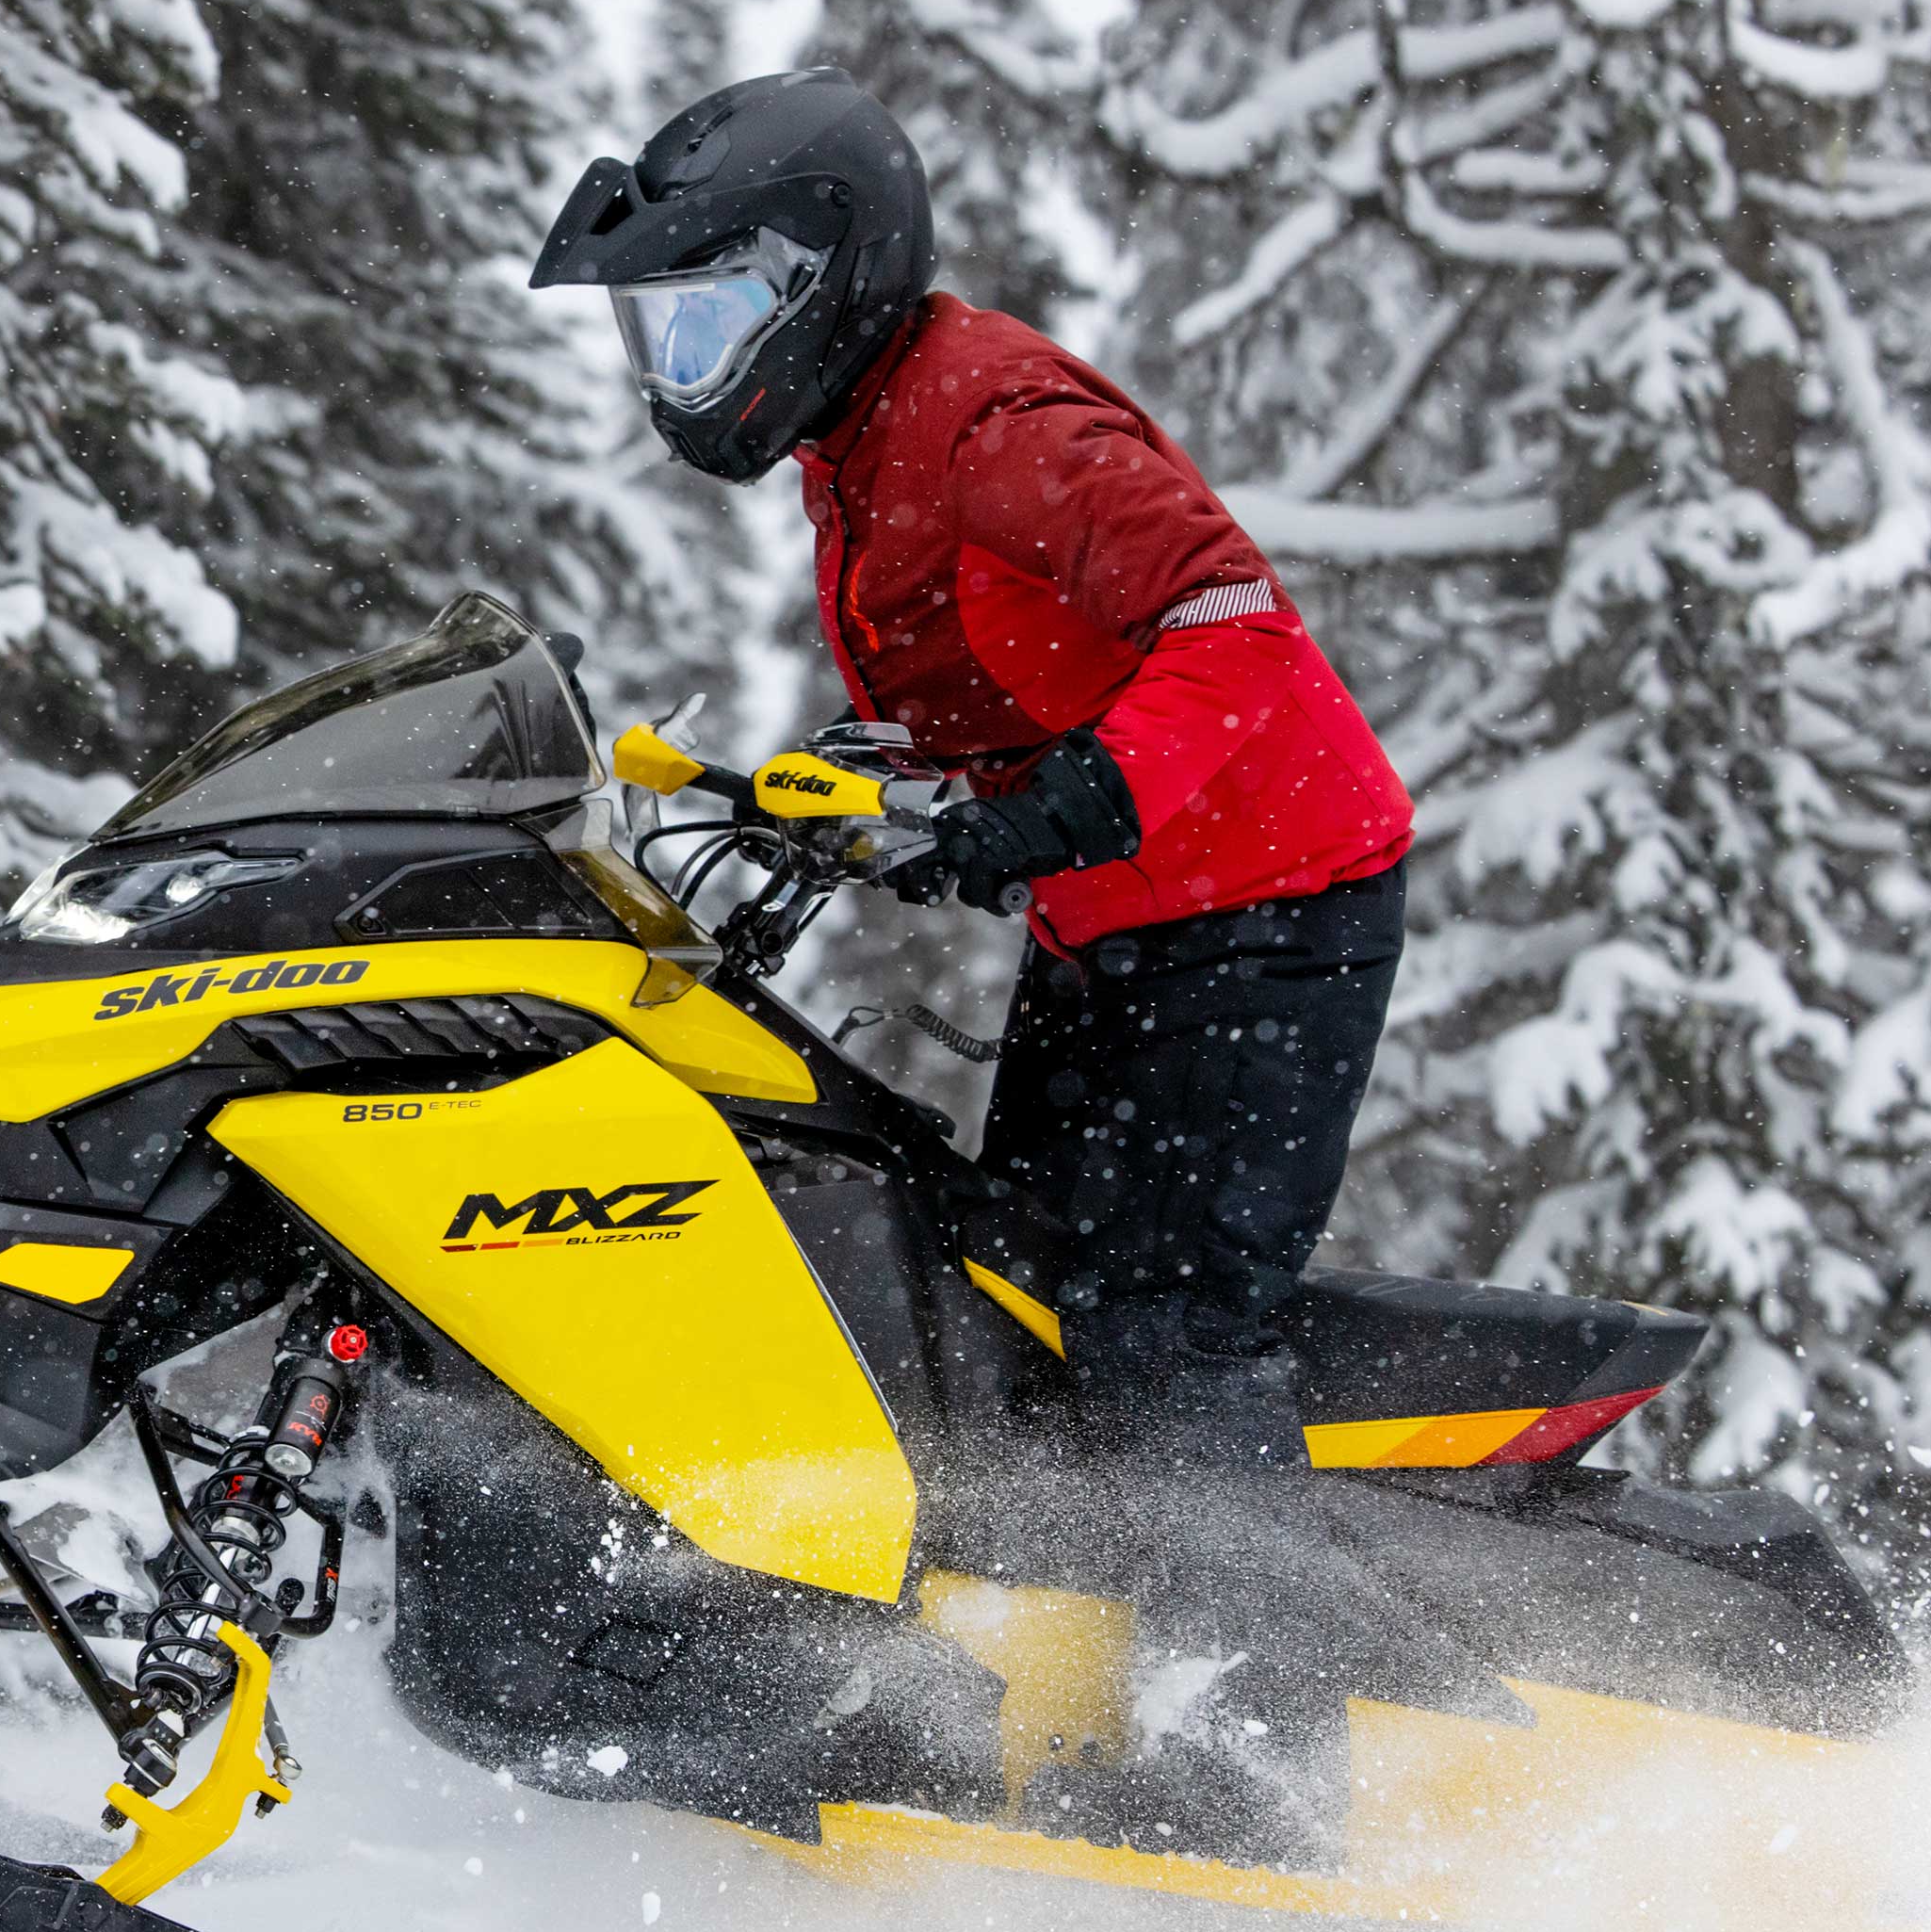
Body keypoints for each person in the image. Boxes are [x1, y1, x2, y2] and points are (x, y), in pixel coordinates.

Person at [535, 70, 1417, 1387]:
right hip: (1120, 915)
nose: (682, 375)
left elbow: (1235, 626)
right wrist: (842, 787)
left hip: (1266, 918)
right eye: (659, 338)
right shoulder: (864, 434)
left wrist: (1057, 813)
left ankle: (1235, 1594)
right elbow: (996, 661)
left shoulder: (991, 420)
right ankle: (1046, 1588)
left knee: (1156, 1338)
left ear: (823, 283)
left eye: (705, 328)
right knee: (1010, 1300)